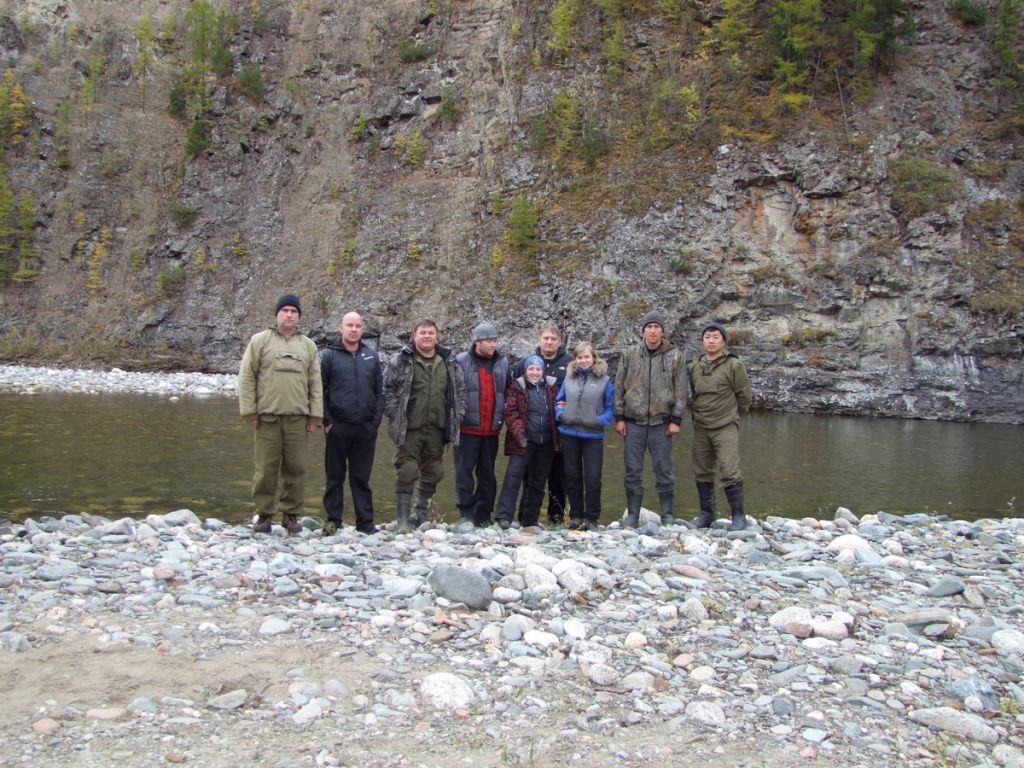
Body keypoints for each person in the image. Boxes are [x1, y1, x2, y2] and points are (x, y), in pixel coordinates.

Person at [238, 293, 323, 535]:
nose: (289, 315)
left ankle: (291, 515)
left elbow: (315, 382)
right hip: (267, 419)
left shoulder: (308, 345)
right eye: (285, 310)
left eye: (294, 311)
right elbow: (246, 377)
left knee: (296, 469)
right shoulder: (260, 341)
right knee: (265, 469)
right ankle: (264, 514)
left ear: (299, 317)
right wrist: (249, 412)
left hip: (298, 419)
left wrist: (315, 417)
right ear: (277, 314)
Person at [384, 320, 466, 532]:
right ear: (414, 335)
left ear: (436, 336)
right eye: (423, 333)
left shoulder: (448, 360)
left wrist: (458, 415)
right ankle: (402, 520)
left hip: (437, 427)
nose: (427, 336)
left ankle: (420, 514)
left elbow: (459, 390)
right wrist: (394, 415)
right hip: (409, 428)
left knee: (435, 471)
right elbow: (388, 389)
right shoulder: (401, 360)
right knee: (408, 470)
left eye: (431, 333)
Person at [614, 310, 687, 528]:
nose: (653, 331)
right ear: (643, 330)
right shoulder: (629, 354)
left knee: (663, 469)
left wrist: (677, 419)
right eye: (649, 327)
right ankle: (633, 515)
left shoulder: (675, 356)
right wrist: (619, 417)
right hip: (633, 422)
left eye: (656, 327)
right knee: (632, 470)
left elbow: (681, 390)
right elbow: (618, 386)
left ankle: (667, 514)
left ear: (662, 331)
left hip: (661, 423)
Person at [320, 311, 384, 536]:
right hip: (338, 426)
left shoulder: (371, 356)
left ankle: (365, 522)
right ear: (341, 328)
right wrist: (327, 421)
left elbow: (380, 391)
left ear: (362, 329)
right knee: (334, 476)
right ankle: (333, 520)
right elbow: (320, 390)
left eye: (358, 326)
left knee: (361, 477)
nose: (354, 329)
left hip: (365, 427)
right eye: (350, 325)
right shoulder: (329, 355)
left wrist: (375, 423)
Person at [689, 322, 753, 531]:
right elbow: (693, 393)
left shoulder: (734, 365)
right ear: (702, 341)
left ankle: (738, 516)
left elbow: (744, 395)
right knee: (701, 470)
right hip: (701, 426)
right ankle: (707, 514)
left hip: (725, 425)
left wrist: (734, 415)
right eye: (707, 337)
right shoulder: (695, 366)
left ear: (723, 341)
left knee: (728, 468)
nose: (711, 341)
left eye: (715, 337)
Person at [512, 325, 573, 525]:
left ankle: (555, 519)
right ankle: (526, 519)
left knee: (559, 477)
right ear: (539, 340)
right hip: (533, 432)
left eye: (553, 339)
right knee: (530, 478)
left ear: (559, 342)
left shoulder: (570, 363)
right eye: (546, 338)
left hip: (560, 431)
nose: (549, 342)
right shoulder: (526, 363)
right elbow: (513, 390)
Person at [454, 322, 512, 527]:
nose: (493, 344)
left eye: (495, 340)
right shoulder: (461, 361)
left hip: (491, 430)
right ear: (477, 341)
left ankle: (484, 514)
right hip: (466, 428)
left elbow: (509, 392)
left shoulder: (502, 363)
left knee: (487, 473)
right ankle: (466, 513)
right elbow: (451, 393)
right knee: (464, 472)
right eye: (489, 340)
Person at [495, 356, 561, 530]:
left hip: (546, 442)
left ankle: (529, 519)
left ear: (543, 371)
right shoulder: (517, 387)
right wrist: (521, 436)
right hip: (523, 441)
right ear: (525, 371)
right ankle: (504, 516)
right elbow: (510, 413)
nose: (534, 372)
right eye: (531, 369)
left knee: (537, 482)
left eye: (538, 369)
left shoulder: (552, 387)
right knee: (513, 478)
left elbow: (558, 409)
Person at [555, 341, 614, 530]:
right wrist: (561, 415)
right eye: (579, 357)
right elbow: (559, 401)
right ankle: (576, 515)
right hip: (569, 433)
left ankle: (592, 518)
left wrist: (598, 420)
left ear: (593, 358)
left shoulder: (605, 381)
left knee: (593, 478)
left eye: (586, 357)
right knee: (572, 476)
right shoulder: (568, 378)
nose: (583, 360)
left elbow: (610, 408)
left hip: (593, 435)